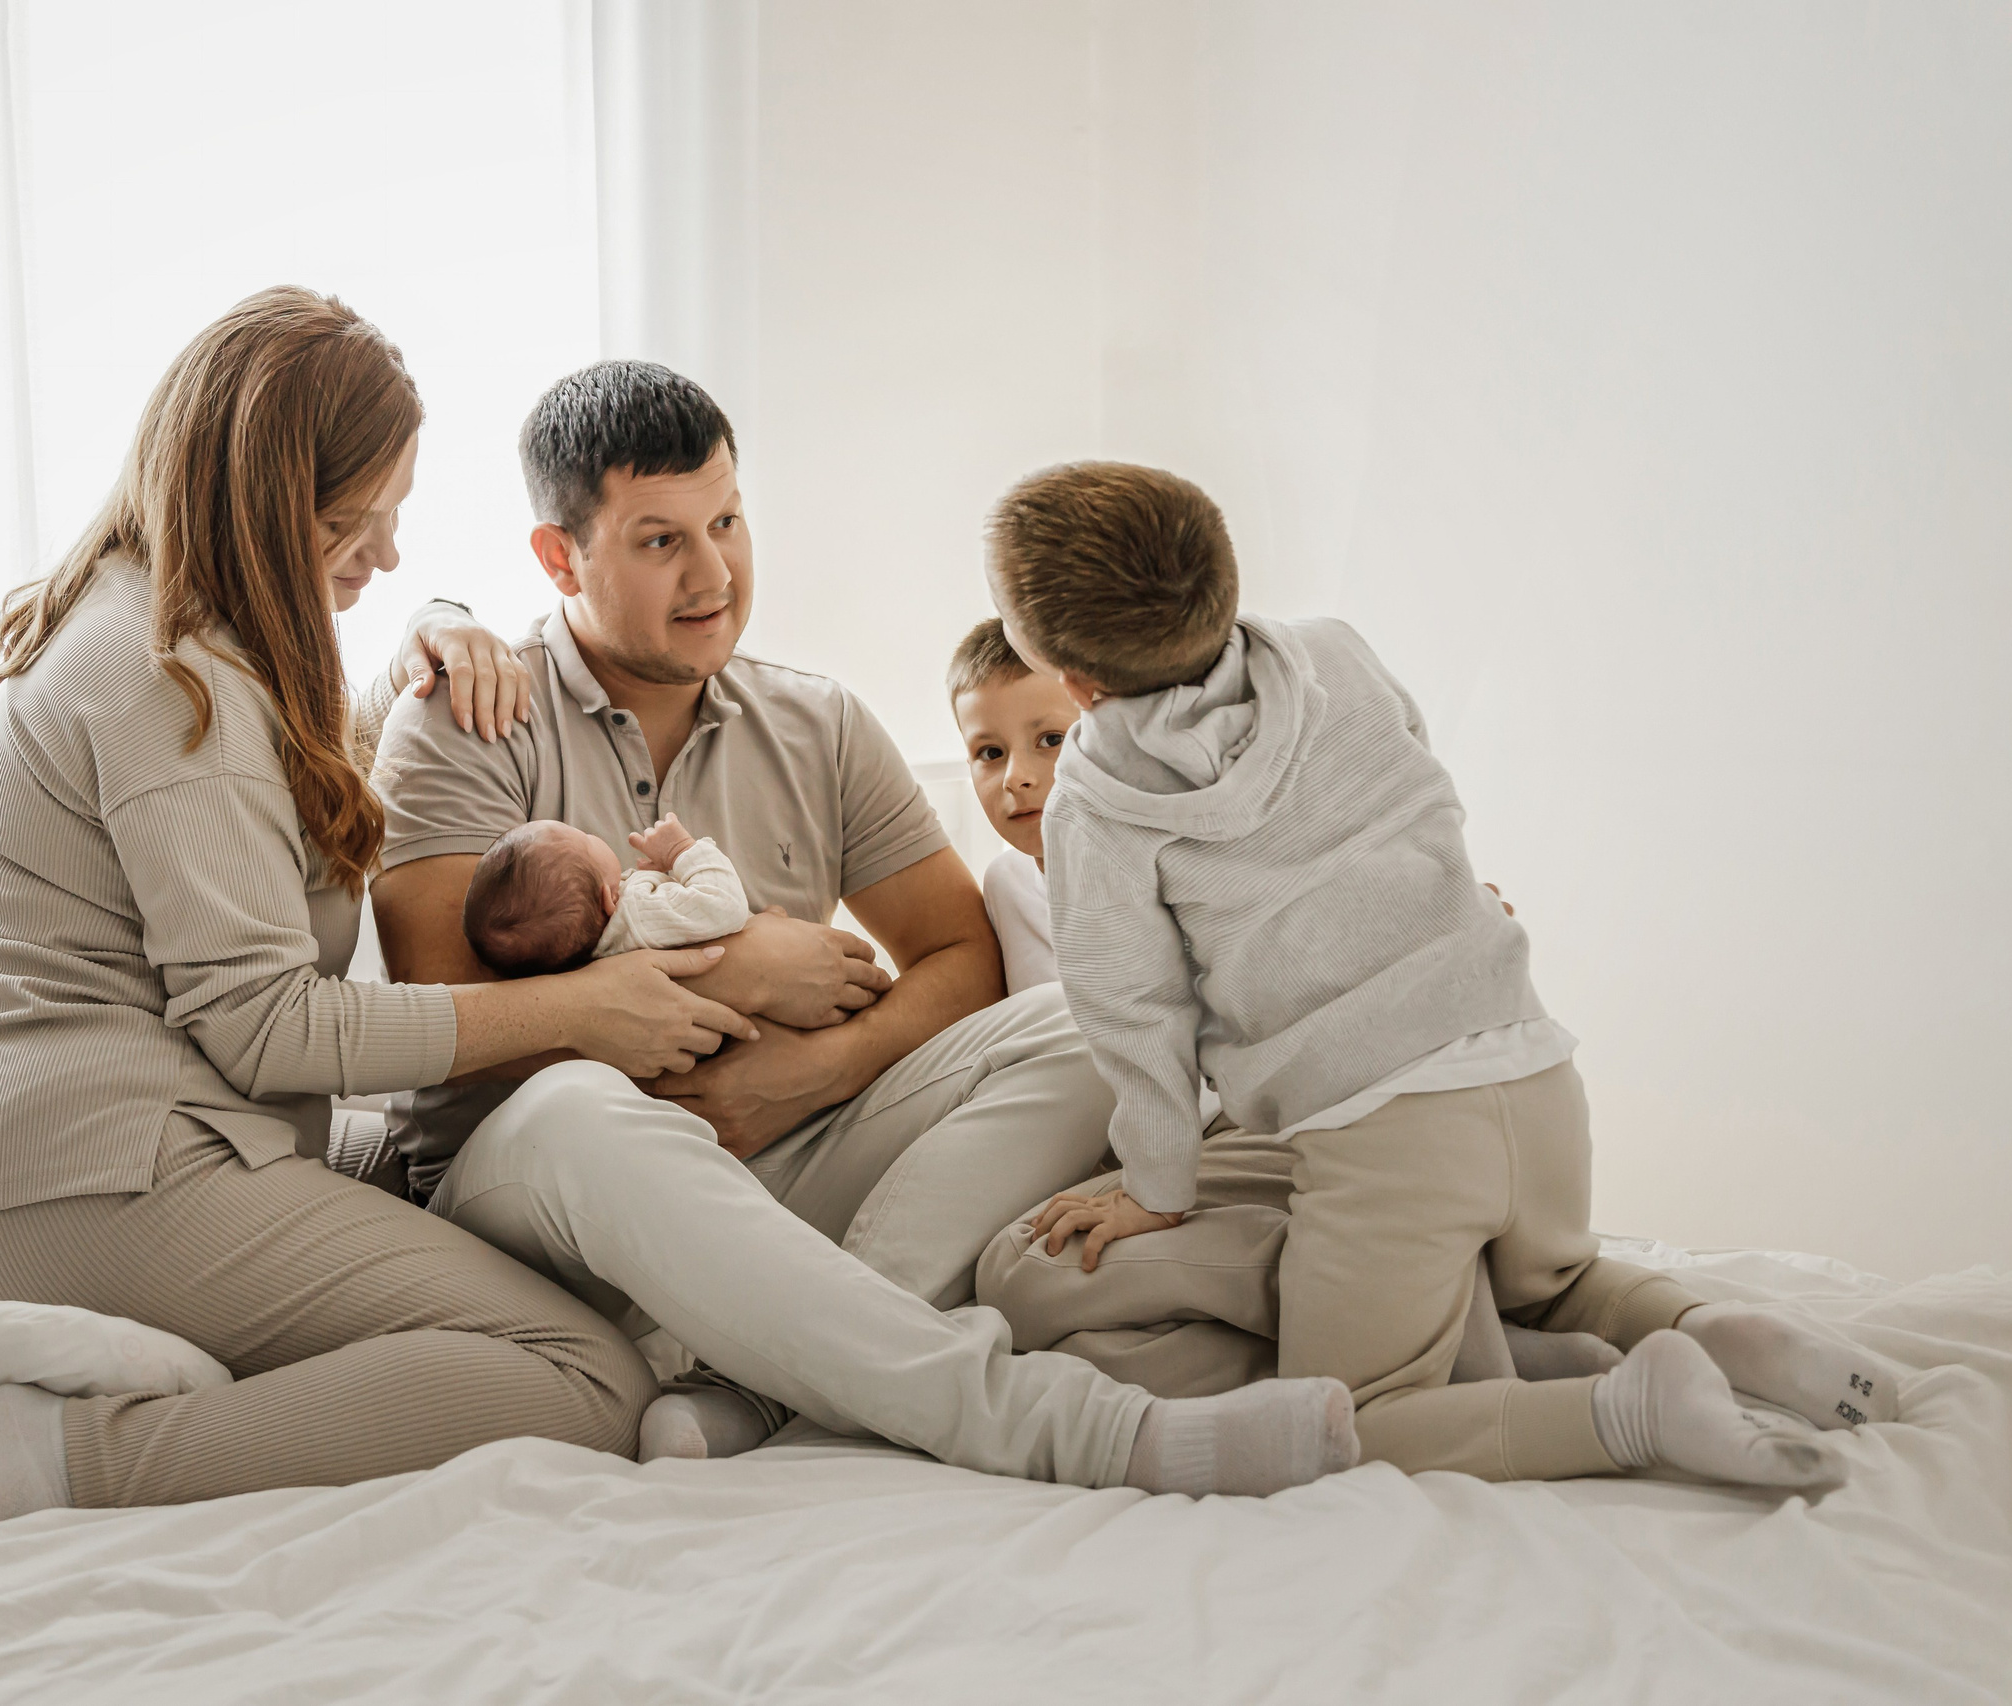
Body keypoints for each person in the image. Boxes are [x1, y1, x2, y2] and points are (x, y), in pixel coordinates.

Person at [0, 290, 777, 1575]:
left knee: (498, 1218)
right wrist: (578, 1010)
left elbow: (290, 798)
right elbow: (265, 1024)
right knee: (580, 1370)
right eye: (356, 521)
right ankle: (69, 1460)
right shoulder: (160, 685)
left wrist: (429, 628)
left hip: (114, 1150)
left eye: (395, 517)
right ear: (256, 500)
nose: (385, 551)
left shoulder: (185, 640)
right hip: (83, 1182)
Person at [369, 360, 1360, 1492]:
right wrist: (735, 972)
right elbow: (449, 1021)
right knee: (577, 1106)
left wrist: (818, 1069)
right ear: (561, 556)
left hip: (771, 1160)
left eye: (728, 521)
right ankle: (1072, 1427)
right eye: (659, 541)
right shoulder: (464, 717)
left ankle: (769, 1371)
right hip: (547, 1193)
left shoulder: (816, 718)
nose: (713, 574)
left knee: (1081, 1020)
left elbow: (963, 957)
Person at [985, 460, 1896, 1488]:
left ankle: (1626, 1410)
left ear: (1075, 682)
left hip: (1390, 1130)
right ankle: (1729, 1335)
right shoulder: (1334, 655)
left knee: (1349, 1416)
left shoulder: (1097, 803)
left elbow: (1128, 1007)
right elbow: (1417, 790)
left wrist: (1156, 1185)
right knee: (1553, 1281)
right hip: (1531, 1062)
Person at [947, 618, 1076, 994]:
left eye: (1051, 739)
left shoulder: (1169, 875)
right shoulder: (1004, 886)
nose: (1015, 777)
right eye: (991, 753)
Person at [465, 812, 751, 975]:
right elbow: (724, 904)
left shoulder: (602, 942)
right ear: (607, 898)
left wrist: (666, 874)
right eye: (586, 839)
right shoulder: (637, 915)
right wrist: (682, 852)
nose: (590, 834)